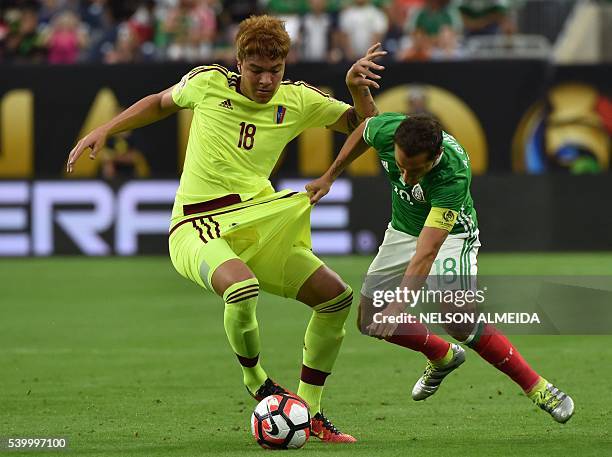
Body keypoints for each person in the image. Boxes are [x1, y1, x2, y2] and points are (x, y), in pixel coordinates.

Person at [67, 15, 386, 443]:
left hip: (258, 224)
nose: (267, 80)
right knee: (241, 288)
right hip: (196, 226)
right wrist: (106, 128)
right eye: (257, 70)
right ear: (239, 62)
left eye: (276, 70)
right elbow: (161, 103)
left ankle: (310, 410)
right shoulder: (207, 83)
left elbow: (367, 129)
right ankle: (257, 382)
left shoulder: (299, 100)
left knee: (335, 299)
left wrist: (357, 90)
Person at [306, 113, 575, 424]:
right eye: (402, 166)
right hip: (403, 229)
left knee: (458, 319)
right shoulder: (389, 130)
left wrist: (397, 306)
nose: (406, 177)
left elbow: (427, 252)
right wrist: (330, 175)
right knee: (369, 321)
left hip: (450, 235)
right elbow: (364, 129)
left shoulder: (452, 173)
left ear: (436, 157)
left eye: (416, 170)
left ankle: (539, 388)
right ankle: (442, 356)